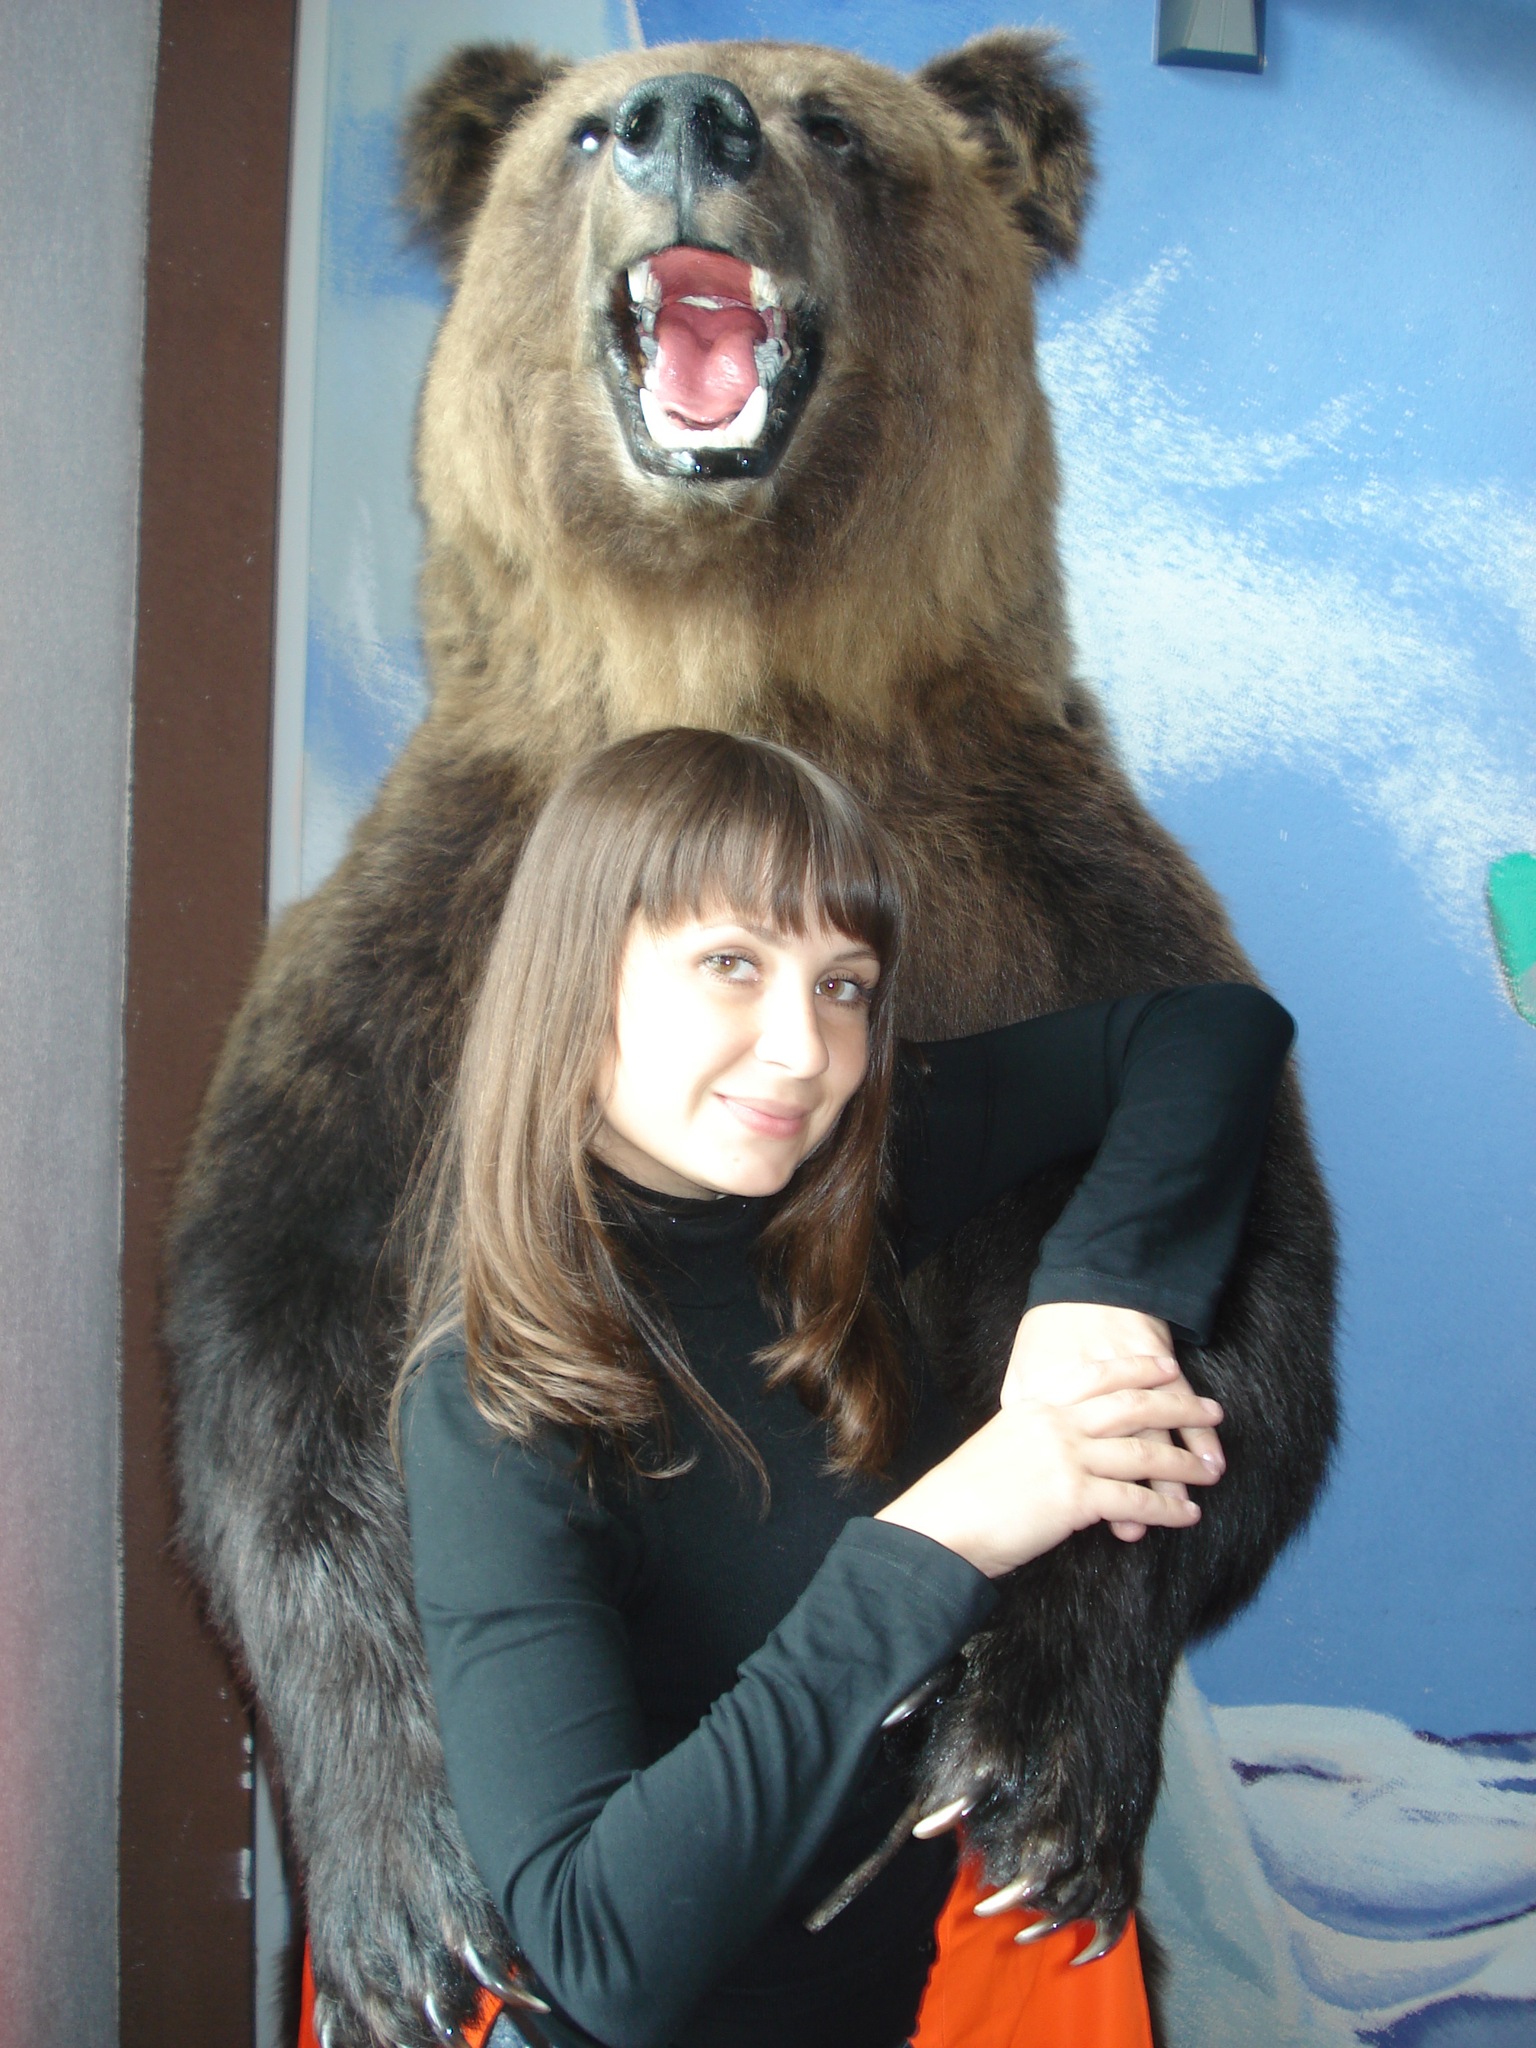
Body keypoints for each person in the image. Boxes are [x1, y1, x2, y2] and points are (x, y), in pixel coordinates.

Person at [391, 728, 1295, 2048]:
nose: (804, 1050)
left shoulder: (846, 1177)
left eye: (844, 985)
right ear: (578, 975)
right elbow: (601, 1955)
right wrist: (946, 1535)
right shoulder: (490, 1411)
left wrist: (1097, 1301)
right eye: (732, 963)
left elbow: (1215, 1030)